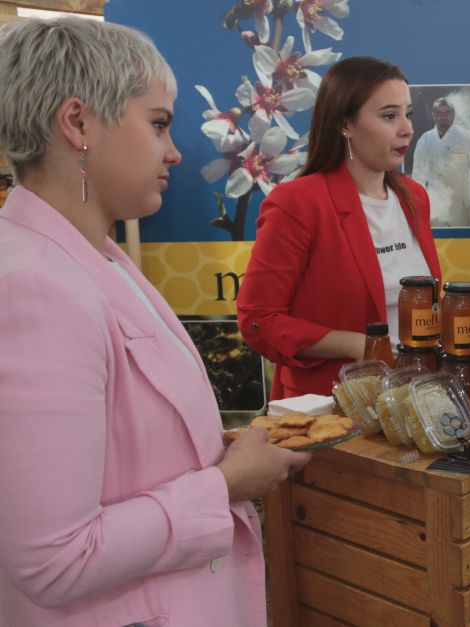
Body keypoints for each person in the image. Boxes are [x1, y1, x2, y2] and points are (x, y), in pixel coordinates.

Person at [0, 17, 308, 626]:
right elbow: (55, 560)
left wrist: (211, 453)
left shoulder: (96, 258)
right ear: (78, 123)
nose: (174, 151)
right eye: (158, 124)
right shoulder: (34, 287)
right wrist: (224, 486)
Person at [238, 56, 442, 400]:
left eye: (407, 114)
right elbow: (258, 320)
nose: (407, 128)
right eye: (389, 116)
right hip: (331, 405)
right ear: (345, 124)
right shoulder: (298, 203)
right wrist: (360, 345)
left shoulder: (414, 197)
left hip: (413, 398)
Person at [410, 96, 470, 227]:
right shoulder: (425, 140)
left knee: (464, 238)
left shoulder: (467, 137)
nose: (443, 116)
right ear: (433, 115)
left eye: (447, 112)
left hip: (461, 203)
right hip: (435, 201)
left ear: (453, 114)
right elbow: (418, 172)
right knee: (436, 238)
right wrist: (416, 199)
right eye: (439, 112)